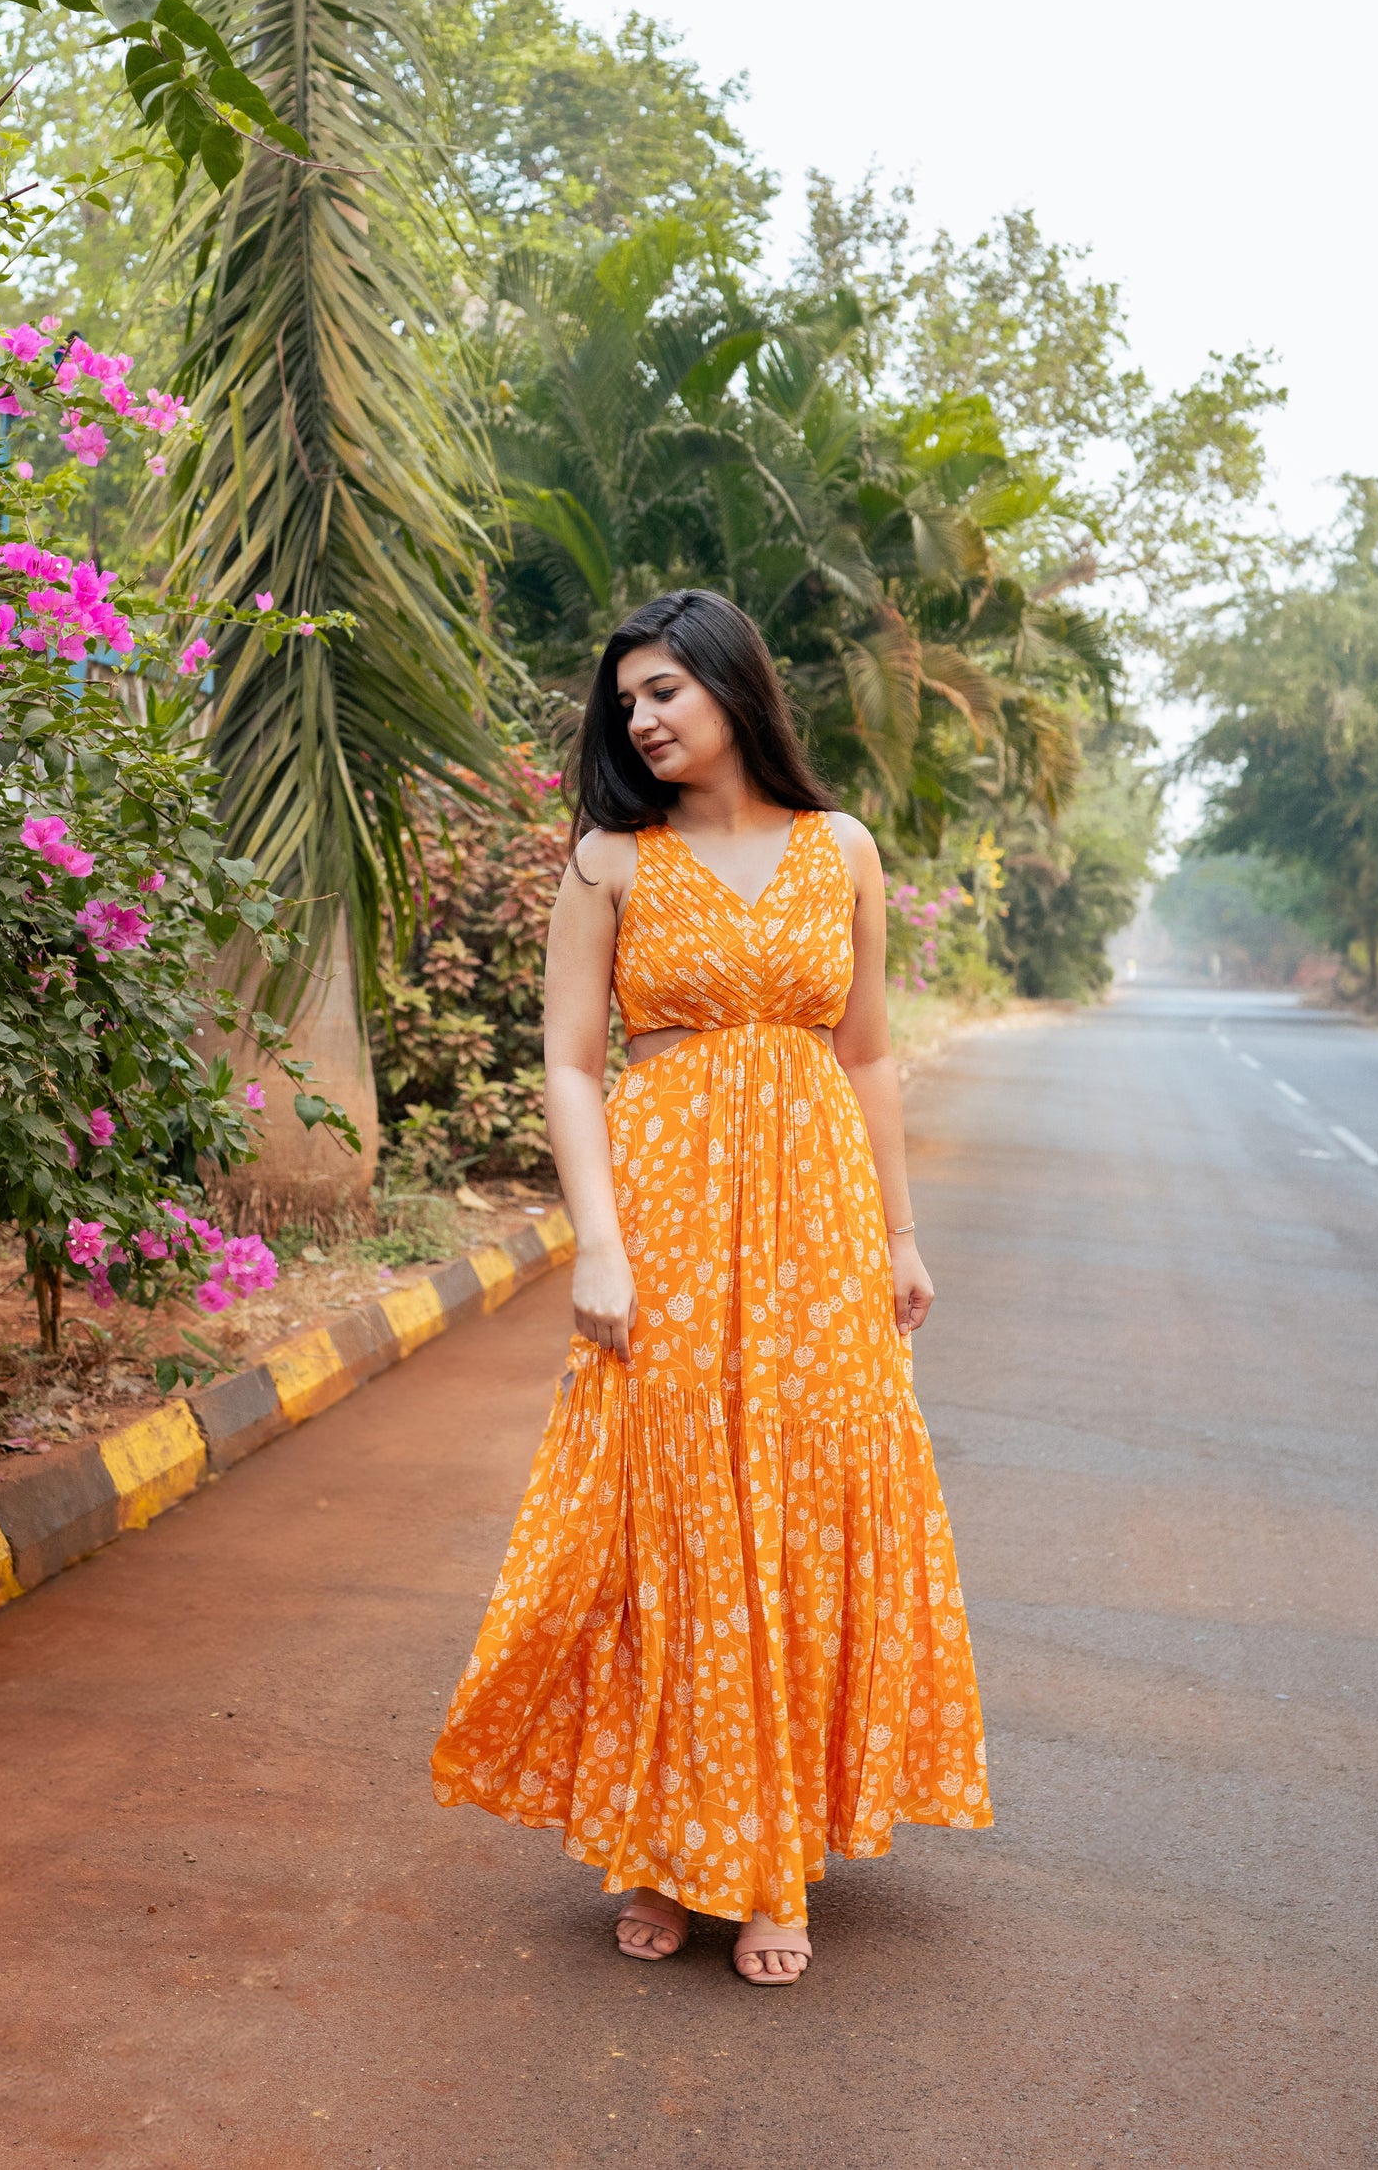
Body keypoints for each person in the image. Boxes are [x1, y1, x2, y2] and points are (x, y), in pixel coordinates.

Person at [431, 589, 991, 1985]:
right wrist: (599, 1243)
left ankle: (770, 1854)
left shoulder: (839, 847)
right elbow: (569, 1061)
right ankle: (659, 1842)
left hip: (816, 1222)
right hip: (670, 1214)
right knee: (671, 1514)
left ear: (737, 687)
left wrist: (901, 1236)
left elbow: (864, 1053)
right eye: (628, 701)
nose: (643, 718)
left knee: (795, 1510)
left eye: (666, 688)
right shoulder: (609, 861)